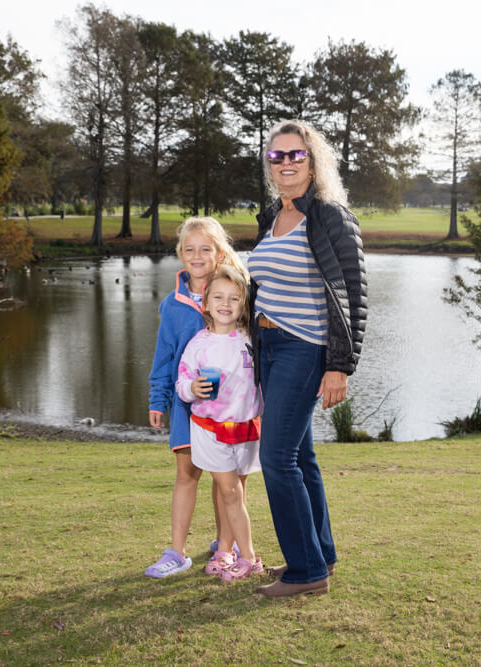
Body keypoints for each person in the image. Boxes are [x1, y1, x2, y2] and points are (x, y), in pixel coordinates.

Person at [247, 119, 367, 597]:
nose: (286, 163)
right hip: (269, 348)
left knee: (276, 458)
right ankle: (321, 555)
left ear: (313, 163)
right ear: (269, 165)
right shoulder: (271, 217)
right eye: (277, 156)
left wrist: (340, 365)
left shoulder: (331, 217)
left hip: (305, 347)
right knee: (300, 456)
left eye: (296, 154)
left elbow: (353, 295)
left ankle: (305, 572)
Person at [145, 217, 247, 578]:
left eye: (206, 248)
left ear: (220, 253)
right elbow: (164, 357)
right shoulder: (172, 306)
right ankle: (177, 552)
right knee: (186, 473)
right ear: (180, 254)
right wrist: (157, 399)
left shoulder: (238, 292)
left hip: (231, 408)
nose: (197, 255)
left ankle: (226, 547)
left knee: (229, 480)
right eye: (189, 249)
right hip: (186, 406)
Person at [176, 265, 264, 582]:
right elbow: (182, 384)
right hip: (210, 429)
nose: (225, 304)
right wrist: (192, 388)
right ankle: (250, 557)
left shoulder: (251, 340)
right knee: (229, 491)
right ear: (206, 303)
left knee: (234, 493)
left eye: (234, 298)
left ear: (243, 305)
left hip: (246, 430)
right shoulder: (198, 344)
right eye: (218, 297)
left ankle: (226, 550)